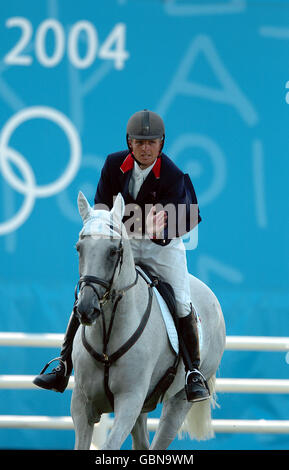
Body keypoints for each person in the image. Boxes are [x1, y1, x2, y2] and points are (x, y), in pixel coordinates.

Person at [33, 109, 210, 402]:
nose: (145, 148)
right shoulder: (113, 165)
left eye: (151, 142)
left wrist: (130, 225)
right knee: (89, 290)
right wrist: (130, 225)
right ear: (129, 142)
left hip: (163, 248)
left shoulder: (173, 174)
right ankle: (63, 362)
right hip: (121, 242)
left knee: (180, 301)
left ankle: (194, 373)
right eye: (139, 142)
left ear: (161, 143)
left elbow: (160, 230)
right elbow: (101, 211)